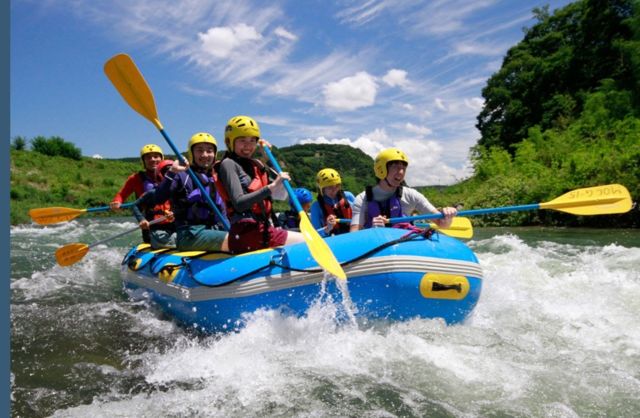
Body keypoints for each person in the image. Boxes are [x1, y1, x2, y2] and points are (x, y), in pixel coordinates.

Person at [215, 115, 305, 254]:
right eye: (242, 140)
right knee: (308, 240)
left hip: (262, 228)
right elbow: (239, 203)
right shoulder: (228, 164)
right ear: (229, 142)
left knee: (305, 237)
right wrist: (271, 187)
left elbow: (281, 195)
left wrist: (268, 159)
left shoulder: (256, 164)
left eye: (252, 140)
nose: (248, 146)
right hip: (247, 232)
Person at [151, 132, 229, 252]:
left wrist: (230, 230)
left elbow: (222, 212)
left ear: (215, 154)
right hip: (190, 234)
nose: (205, 154)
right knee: (235, 240)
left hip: (213, 230)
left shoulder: (215, 178)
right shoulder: (182, 175)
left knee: (243, 237)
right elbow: (159, 198)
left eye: (209, 151)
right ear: (192, 153)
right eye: (199, 150)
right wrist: (172, 172)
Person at [350, 148, 457, 231]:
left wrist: (448, 216)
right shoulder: (362, 199)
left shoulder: (412, 195)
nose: (401, 172)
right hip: (374, 244)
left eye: (403, 168)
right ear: (381, 169)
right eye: (395, 167)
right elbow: (354, 234)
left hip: (402, 245)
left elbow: (442, 224)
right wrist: (371, 231)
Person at [110, 143, 169, 244]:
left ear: (162, 158)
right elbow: (122, 194)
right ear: (143, 161)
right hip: (148, 222)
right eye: (148, 157)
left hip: (171, 219)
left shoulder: (170, 175)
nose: (153, 160)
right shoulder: (135, 178)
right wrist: (117, 202)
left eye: (156, 156)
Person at [131, 159, 177, 249]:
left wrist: (174, 213)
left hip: (173, 229)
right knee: (164, 237)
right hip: (155, 230)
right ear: (159, 176)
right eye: (168, 174)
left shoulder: (179, 194)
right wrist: (142, 220)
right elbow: (135, 205)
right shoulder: (152, 193)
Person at [310, 168, 355, 237]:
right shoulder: (316, 207)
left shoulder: (348, 196)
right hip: (332, 239)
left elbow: (361, 216)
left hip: (353, 234)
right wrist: (328, 228)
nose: (334, 190)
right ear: (322, 189)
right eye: (329, 187)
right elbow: (315, 234)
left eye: (337, 186)